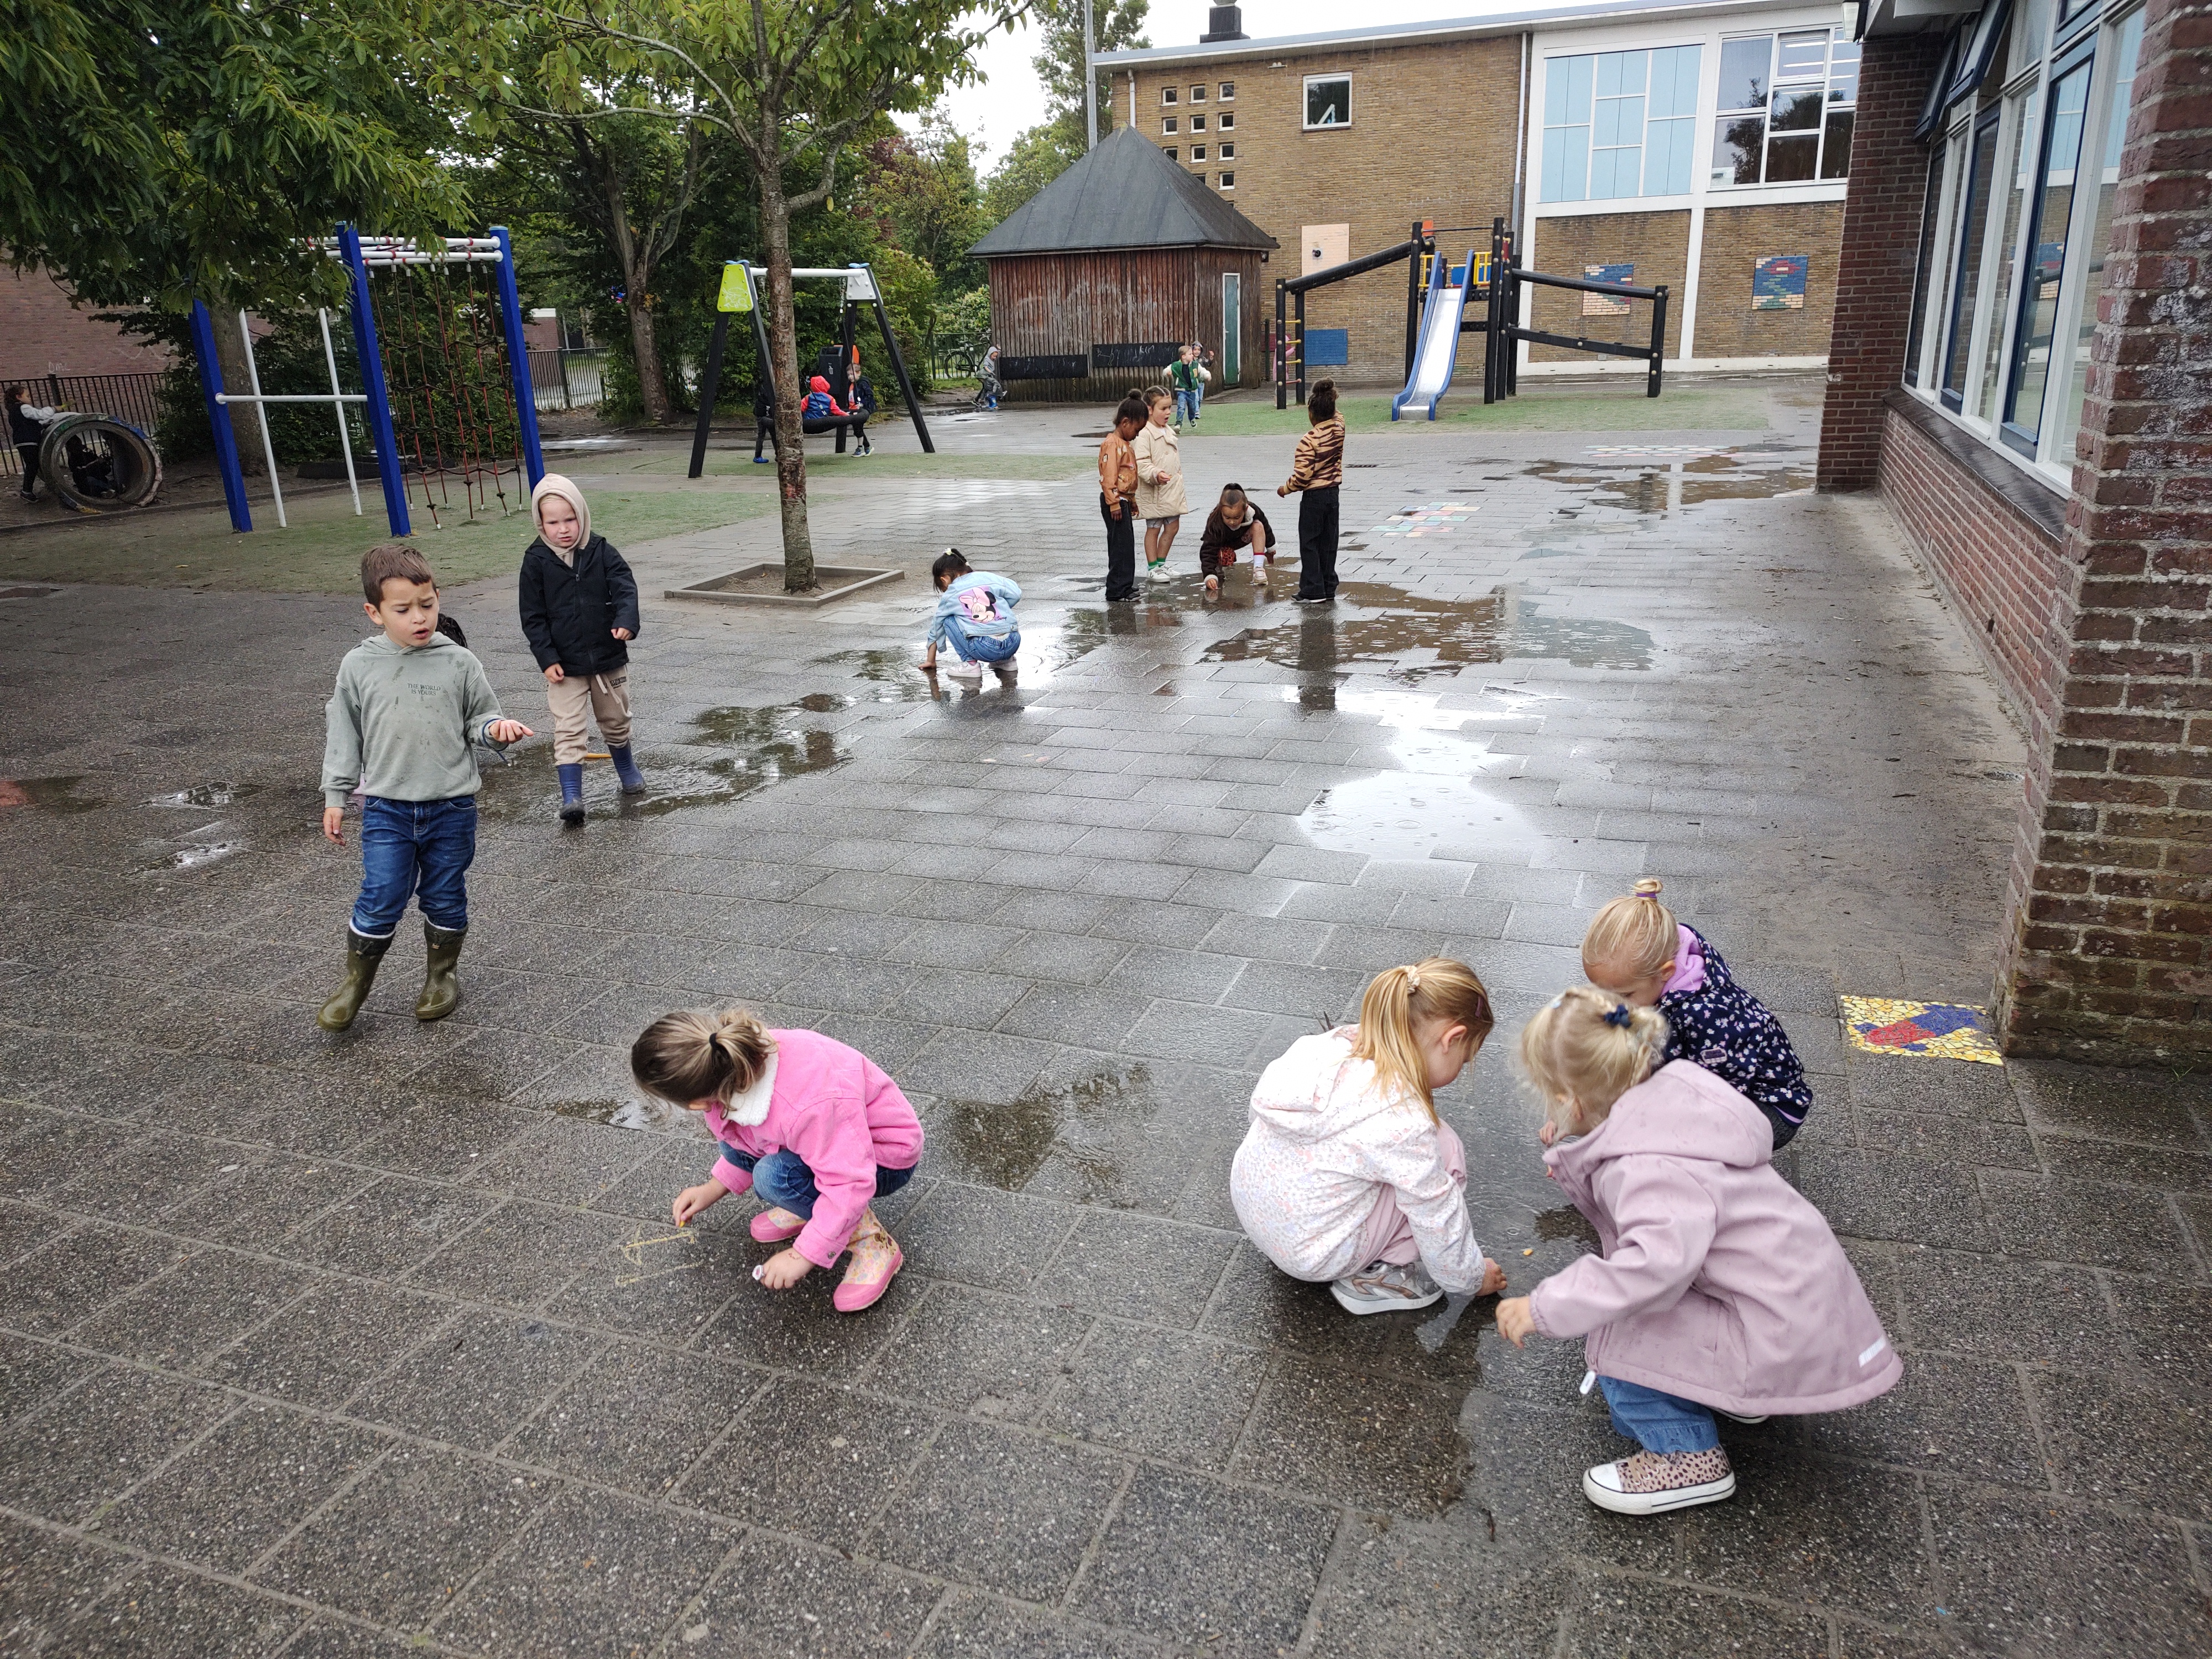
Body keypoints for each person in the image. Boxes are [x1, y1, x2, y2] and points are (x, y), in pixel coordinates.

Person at [1497, 985, 1901, 1515]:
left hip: (1777, 1329)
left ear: (1571, 1101)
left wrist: (1546, 1306)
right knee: (1635, 1319)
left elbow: (1650, 1271)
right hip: (1798, 1309)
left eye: (1548, 1095)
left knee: (1620, 1342)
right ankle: (1734, 1397)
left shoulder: (1648, 1166)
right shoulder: (1674, 1101)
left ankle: (1686, 1459)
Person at [317, 544, 531, 1032]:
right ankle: (356, 983)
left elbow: (481, 717)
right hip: (388, 807)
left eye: (428, 605)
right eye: (403, 609)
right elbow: (343, 732)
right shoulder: (358, 666)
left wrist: (496, 729)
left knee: (444, 893)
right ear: (374, 613)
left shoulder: (459, 662)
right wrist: (336, 794)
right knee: (381, 893)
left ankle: (441, 976)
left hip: (451, 806)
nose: (420, 618)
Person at [1232, 959, 1510, 1316]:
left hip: (1255, 1210)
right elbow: (1435, 1212)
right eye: (1467, 1055)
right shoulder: (1404, 1122)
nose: (1464, 1065)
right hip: (1312, 1254)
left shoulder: (1324, 1047)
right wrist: (1471, 1278)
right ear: (1451, 1039)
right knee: (1447, 1151)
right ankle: (1380, 1277)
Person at [634, 1005, 922, 1313]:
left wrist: (803, 1256)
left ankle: (871, 1242)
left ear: (695, 1103)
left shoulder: (805, 1106)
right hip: (832, 1145)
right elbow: (742, 1143)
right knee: (754, 1151)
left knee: (775, 1178)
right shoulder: (733, 1062)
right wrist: (712, 1188)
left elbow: (850, 1181)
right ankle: (810, 1206)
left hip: (884, 1158)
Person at [1580, 879, 1812, 1148]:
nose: (1613, 1004)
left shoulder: (1702, 1015)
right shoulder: (1656, 969)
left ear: (1665, 972)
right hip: (1725, 1082)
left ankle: (1722, 1181)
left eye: (1625, 995)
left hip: (1770, 1109)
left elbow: (1711, 1093)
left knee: (1672, 1139)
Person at [518, 474, 643, 826]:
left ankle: (626, 766)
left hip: (608, 659)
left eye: (569, 519)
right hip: (564, 666)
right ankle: (572, 794)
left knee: (616, 720)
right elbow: (533, 616)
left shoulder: (601, 550)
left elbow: (625, 588)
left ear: (582, 516)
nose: (563, 529)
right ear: (540, 523)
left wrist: (626, 620)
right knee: (568, 728)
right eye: (553, 522)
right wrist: (547, 658)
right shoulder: (536, 560)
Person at [1279, 378, 1344, 602]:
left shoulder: (1309, 440)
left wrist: (1285, 489)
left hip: (1314, 497)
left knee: (1309, 543)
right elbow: (1338, 415)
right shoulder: (1339, 428)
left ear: (1311, 413)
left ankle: (1312, 589)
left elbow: (1302, 476)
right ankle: (1328, 586)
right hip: (1333, 495)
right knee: (1329, 542)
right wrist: (1326, 395)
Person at [920, 549, 1020, 680]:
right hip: (1013, 642)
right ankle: (1007, 661)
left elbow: (936, 628)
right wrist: (1000, 610)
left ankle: (970, 665)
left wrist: (931, 660)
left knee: (948, 620)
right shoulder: (987, 576)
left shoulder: (951, 594)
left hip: (984, 648)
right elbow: (1016, 593)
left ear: (944, 580)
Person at [1131, 387, 1188, 583]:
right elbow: (1141, 462)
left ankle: (1162, 564)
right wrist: (1155, 474)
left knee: (1173, 527)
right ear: (1149, 409)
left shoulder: (1167, 429)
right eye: (1163, 408)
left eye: (1169, 408)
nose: (1168, 412)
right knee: (1154, 528)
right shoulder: (1144, 433)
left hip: (1170, 489)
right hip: (1154, 490)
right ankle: (1152, 567)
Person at [1098, 393, 1144, 603]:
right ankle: (1116, 590)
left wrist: (1131, 502)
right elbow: (1109, 478)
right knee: (1119, 546)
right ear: (1125, 422)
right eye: (1136, 430)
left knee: (1126, 546)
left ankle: (1125, 585)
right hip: (1114, 503)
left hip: (1123, 501)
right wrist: (1115, 503)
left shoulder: (1124, 444)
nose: (1136, 435)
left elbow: (1128, 478)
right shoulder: (1112, 444)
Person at [1197, 483, 1277, 594]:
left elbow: (1266, 527)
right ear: (1221, 511)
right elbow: (1208, 550)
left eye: (1237, 517)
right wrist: (1209, 575)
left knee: (1258, 525)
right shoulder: (1215, 522)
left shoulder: (1253, 511)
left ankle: (1258, 569)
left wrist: (1270, 548)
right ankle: (1217, 567)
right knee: (1217, 558)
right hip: (1220, 543)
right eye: (1227, 517)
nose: (1232, 522)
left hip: (1241, 538)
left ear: (1245, 509)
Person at [8, 385, 57, 503]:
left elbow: (27, 423)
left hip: (22, 441)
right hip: (28, 440)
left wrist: (41, 426)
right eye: (28, 396)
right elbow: (39, 414)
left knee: (34, 464)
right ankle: (26, 491)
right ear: (19, 397)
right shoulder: (24, 407)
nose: (30, 398)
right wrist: (54, 409)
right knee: (32, 465)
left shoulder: (13, 411)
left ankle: (44, 485)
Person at [802, 375, 868, 451]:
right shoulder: (830, 399)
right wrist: (848, 416)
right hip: (824, 423)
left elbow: (801, 409)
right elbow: (836, 411)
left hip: (808, 422)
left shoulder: (808, 398)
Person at [848, 356, 877, 456]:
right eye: (849, 375)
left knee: (858, 428)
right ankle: (867, 447)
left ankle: (860, 448)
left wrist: (862, 404)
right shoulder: (851, 385)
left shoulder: (863, 383)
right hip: (853, 409)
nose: (850, 377)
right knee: (857, 429)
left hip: (863, 410)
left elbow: (870, 395)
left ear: (859, 373)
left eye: (852, 374)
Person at [1170, 345, 1202, 430]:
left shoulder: (1195, 365)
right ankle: (1178, 424)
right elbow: (1168, 369)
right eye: (1190, 354)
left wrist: (1207, 375)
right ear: (1184, 356)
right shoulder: (1176, 365)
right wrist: (1167, 372)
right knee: (1181, 407)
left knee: (1192, 407)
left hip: (1192, 391)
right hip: (1182, 390)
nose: (1192, 355)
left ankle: (1192, 419)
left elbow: (1202, 371)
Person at [977, 346, 1003, 411]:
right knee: (989, 387)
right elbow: (985, 367)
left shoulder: (991, 358)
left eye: (996, 356)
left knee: (986, 388)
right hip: (983, 375)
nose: (995, 358)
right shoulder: (987, 359)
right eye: (994, 356)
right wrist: (990, 372)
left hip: (987, 375)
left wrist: (999, 350)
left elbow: (997, 354)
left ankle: (979, 400)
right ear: (990, 354)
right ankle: (991, 401)